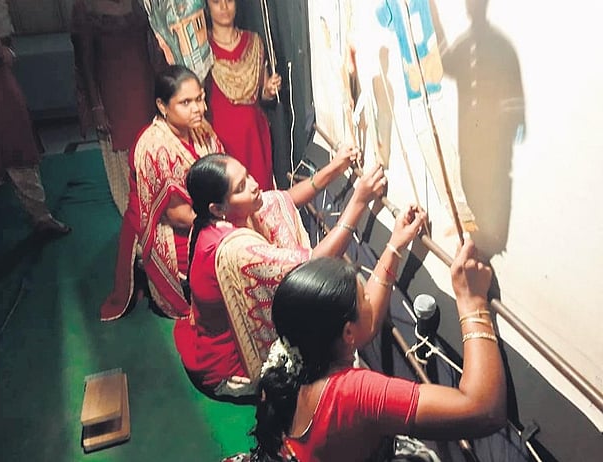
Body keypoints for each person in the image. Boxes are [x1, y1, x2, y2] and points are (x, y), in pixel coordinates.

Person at [180, 151, 426, 401]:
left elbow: (282, 200)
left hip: (204, 340)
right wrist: (360, 202)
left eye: (248, 175)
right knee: (358, 328)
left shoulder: (216, 220)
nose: (254, 185)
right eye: (241, 187)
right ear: (218, 208)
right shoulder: (234, 251)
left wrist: (336, 167)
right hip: (229, 367)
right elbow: (314, 263)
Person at [252, 240, 506, 461]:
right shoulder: (354, 393)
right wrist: (472, 302)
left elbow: (367, 324)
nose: (369, 300)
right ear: (347, 333)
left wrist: (395, 246)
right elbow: (483, 411)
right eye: (364, 297)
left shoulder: (295, 353)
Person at [99, 64, 223, 321]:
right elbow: (178, 216)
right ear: (162, 106)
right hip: (166, 225)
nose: (198, 108)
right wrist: (226, 222)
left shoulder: (201, 129)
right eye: (186, 102)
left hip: (206, 213)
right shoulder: (154, 147)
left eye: (199, 99)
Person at [0, 1, 70, 257]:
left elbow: (7, 49)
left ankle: (41, 217)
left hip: (3, 93)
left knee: (22, 158)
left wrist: (3, 54)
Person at [71, 0, 165, 215]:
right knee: (124, 161)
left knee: (152, 151)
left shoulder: (139, 3)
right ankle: (134, 219)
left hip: (145, 88)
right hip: (112, 95)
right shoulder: (85, 7)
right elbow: (84, 62)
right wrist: (96, 106)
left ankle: (157, 215)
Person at [205, 0, 281, 191]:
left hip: (254, 138)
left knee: (259, 195)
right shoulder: (202, 49)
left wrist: (269, 90)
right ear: (207, 6)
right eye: (216, 2)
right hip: (220, 141)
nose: (224, 7)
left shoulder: (254, 42)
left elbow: (262, 95)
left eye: (229, 0)